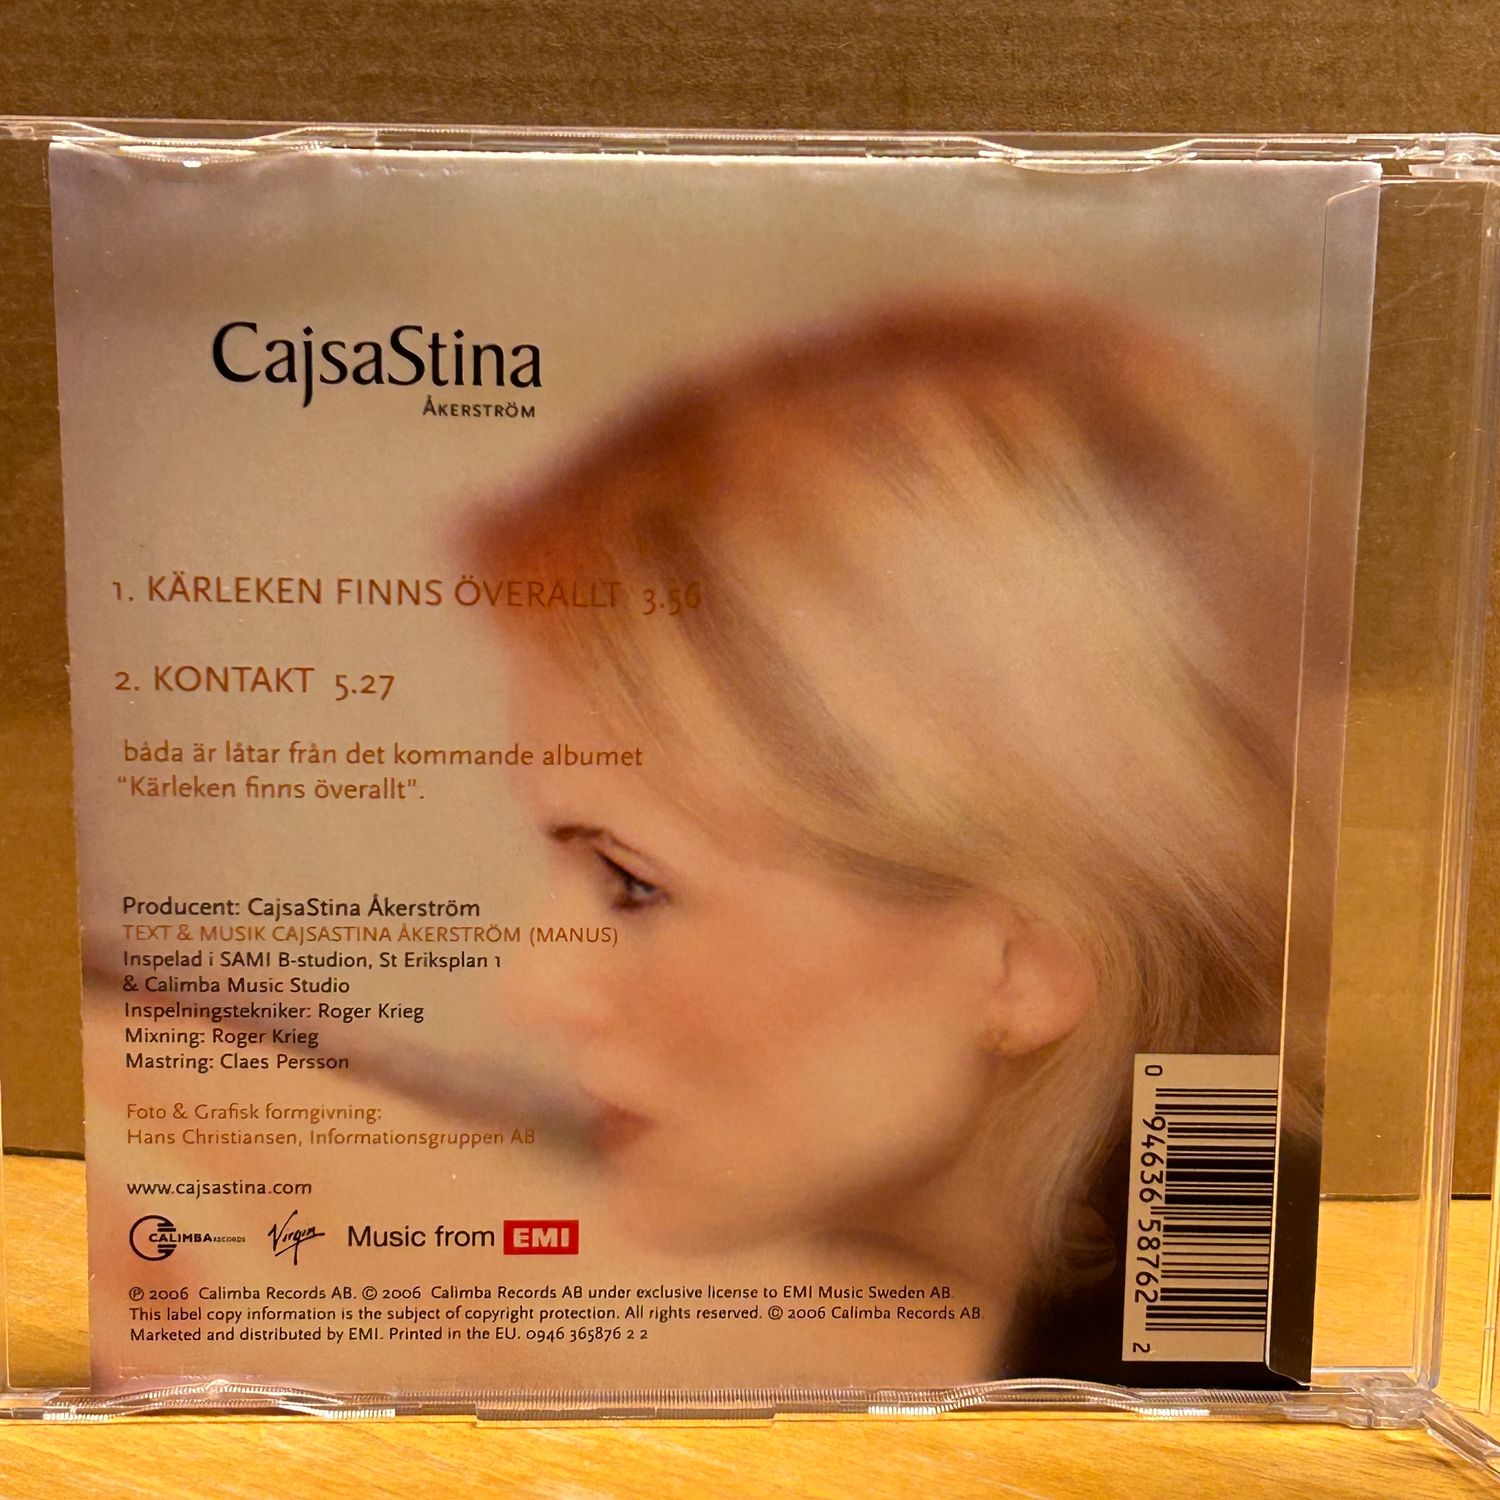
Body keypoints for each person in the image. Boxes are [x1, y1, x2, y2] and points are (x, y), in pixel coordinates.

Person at [472, 294, 1314, 1378]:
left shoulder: (1228, 1356)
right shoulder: (1155, 1277)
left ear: (1025, 962)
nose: (533, 992)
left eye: (633, 885)